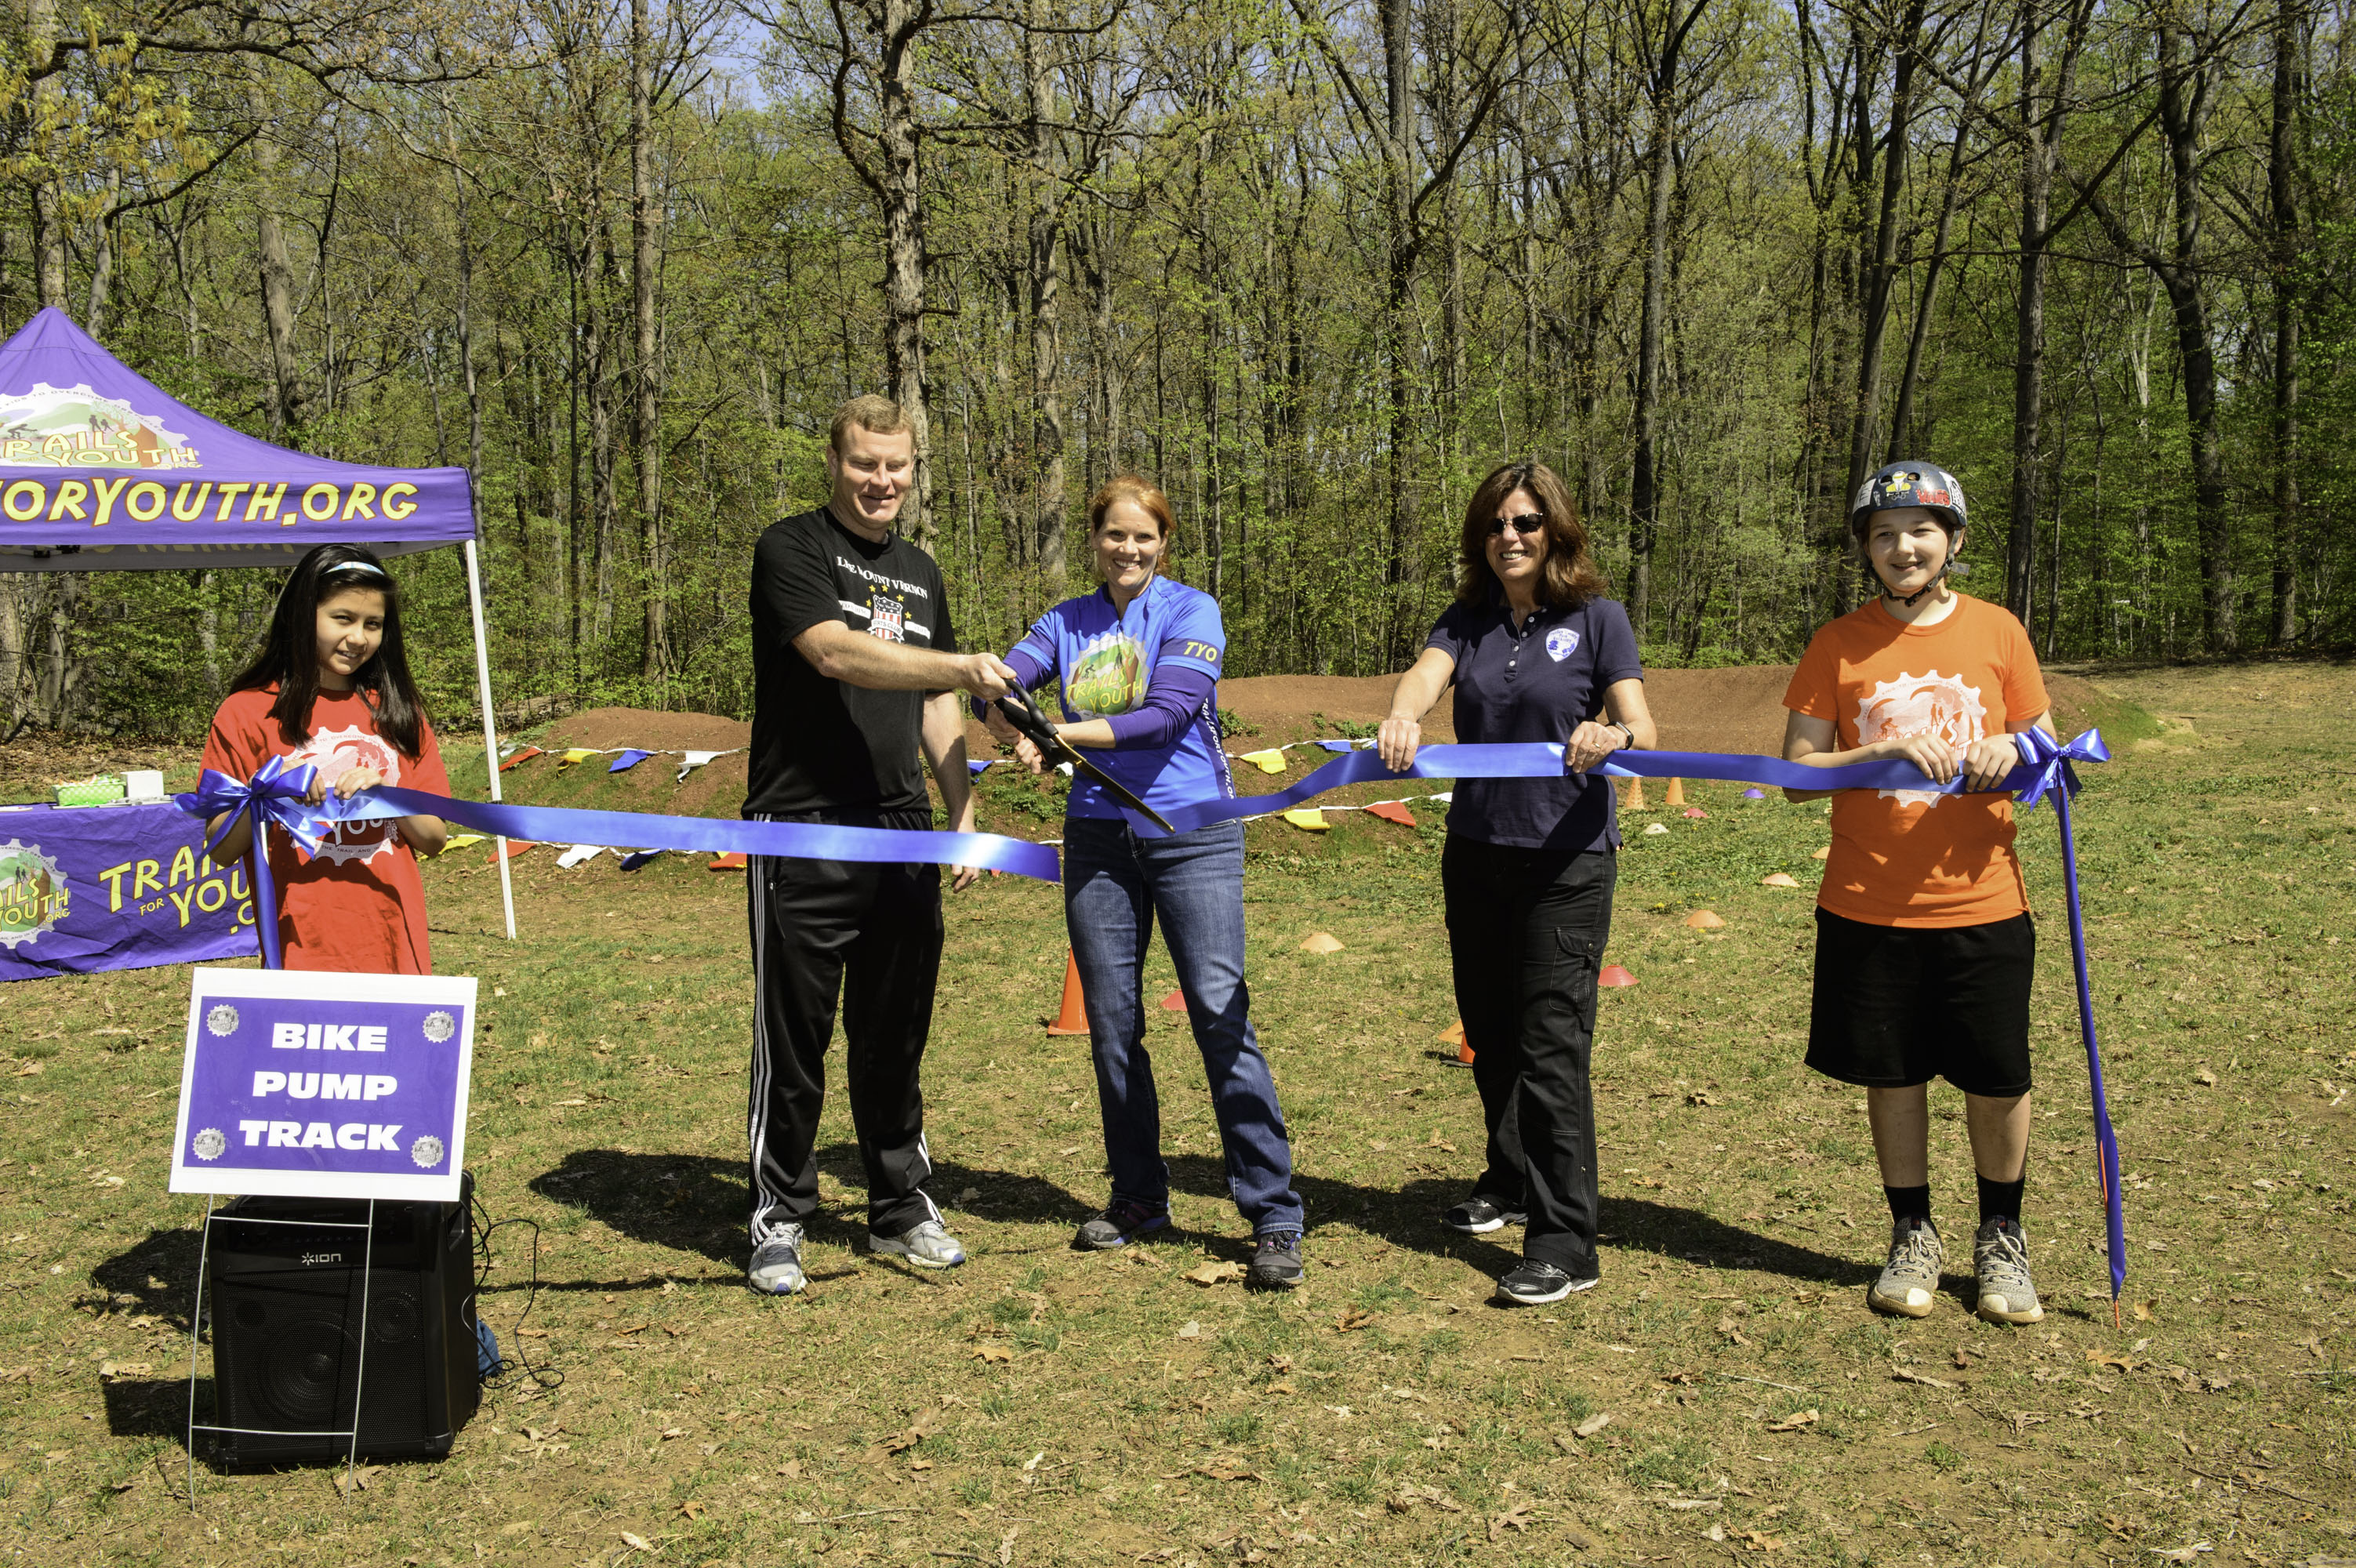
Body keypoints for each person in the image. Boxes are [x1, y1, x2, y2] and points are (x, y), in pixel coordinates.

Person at [984, 476, 1306, 1289]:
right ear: (1093, 538)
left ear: (1163, 543)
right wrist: (1003, 707)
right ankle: (1137, 1196)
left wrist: (1053, 731)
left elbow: (1165, 713)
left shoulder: (1191, 610)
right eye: (1114, 535)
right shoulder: (1065, 620)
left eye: (1144, 536)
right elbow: (1004, 683)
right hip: (1096, 838)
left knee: (1216, 1010)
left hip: (1190, 829)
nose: (1128, 549)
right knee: (1111, 1024)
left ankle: (1271, 1211)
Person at [742, 394, 1018, 1297]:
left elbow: (935, 705)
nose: (881, 481)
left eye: (896, 466)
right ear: (834, 462)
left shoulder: (919, 569)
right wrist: (961, 664)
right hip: (803, 823)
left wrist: (962, 809)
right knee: (797, 1035)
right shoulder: (790, 548)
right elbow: (834, 653)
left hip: (902, 830)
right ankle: (779, 1213)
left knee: (894, 1028)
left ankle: (899, 1205)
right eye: (865, 463)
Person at [1781, 461, 2055, 1326]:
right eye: (1884, 533)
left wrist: (2012, 749)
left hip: (1982, 897)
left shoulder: (1998, 631)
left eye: (1921, 531)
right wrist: (1868, 756)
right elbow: (1793, 774)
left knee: (1995, 1075)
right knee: (1891, 1073)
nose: (1903, 547)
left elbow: (2048, 749)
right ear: (1866, 548)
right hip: (1867, 900)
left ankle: (2001, 1237)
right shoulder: (1836, 643)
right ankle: (1911, 1233)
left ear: (1953, 542)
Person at [1378, 459, 1655, 1305]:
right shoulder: (1466, 619)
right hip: (1476, 853)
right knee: (1491, 1034)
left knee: (1548, 1046)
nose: (1510, 536)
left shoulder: (1596, 618)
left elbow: (1641, 721)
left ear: (1556, 530)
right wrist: (1402, 714)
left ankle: (1566, 1241)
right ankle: (1509, 1175)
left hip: (1564, 864)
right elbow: (1424, 676)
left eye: (1526, 522)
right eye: (1496, 524)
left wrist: (1613, 731)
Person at [203, 544, 450, 973]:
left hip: (394, 943)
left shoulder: (400, 713)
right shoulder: (245, 712)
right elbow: (221, 849)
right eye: (343, 618)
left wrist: (388, 796)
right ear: (302, 616)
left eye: (373, 624)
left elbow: (434, 840)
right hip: (299, 945)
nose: (358, 638)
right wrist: (269, 792)